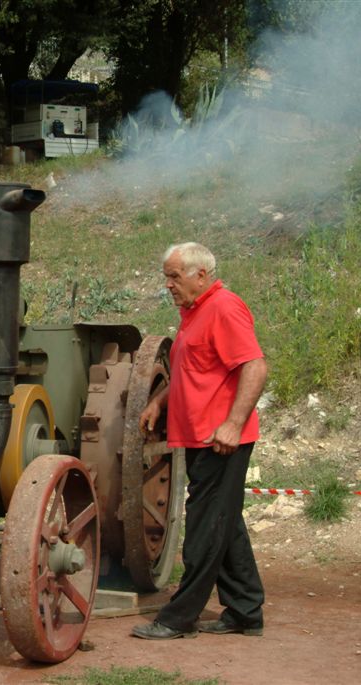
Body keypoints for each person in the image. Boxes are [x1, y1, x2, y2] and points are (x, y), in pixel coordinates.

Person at [132, 242, 268, 640]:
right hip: (199, 438)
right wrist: (160, 401)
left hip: (220, 440)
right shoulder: (193, 312)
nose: (168, 285)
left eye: (175, 277)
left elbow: (255, 367)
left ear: (200, 275)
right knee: (225, 524)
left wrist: (233, 423)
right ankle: (246, 611)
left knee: (206, 528)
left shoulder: (224, 307)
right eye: (166, 277)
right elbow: (193, 370)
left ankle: (178, 618)